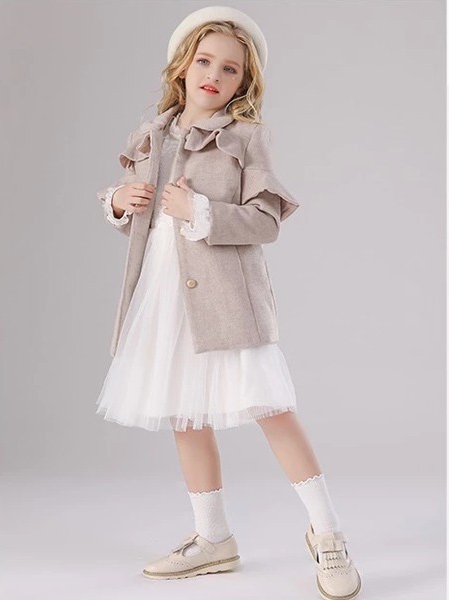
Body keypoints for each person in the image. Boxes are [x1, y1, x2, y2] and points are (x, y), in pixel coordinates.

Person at [95, 6, 362, 598]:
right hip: (163, 292)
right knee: (184, 413)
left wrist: (202, 212)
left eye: (230, 69)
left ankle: (328, 534)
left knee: (271, 406)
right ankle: (213, 537)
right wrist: (119, 200)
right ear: (182, 66)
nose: (214, 75)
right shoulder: (152, 135)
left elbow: (266, 221)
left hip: (226, 297)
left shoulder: (246, 138)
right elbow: (141, 222)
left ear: (245, 82)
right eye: (205, 61)